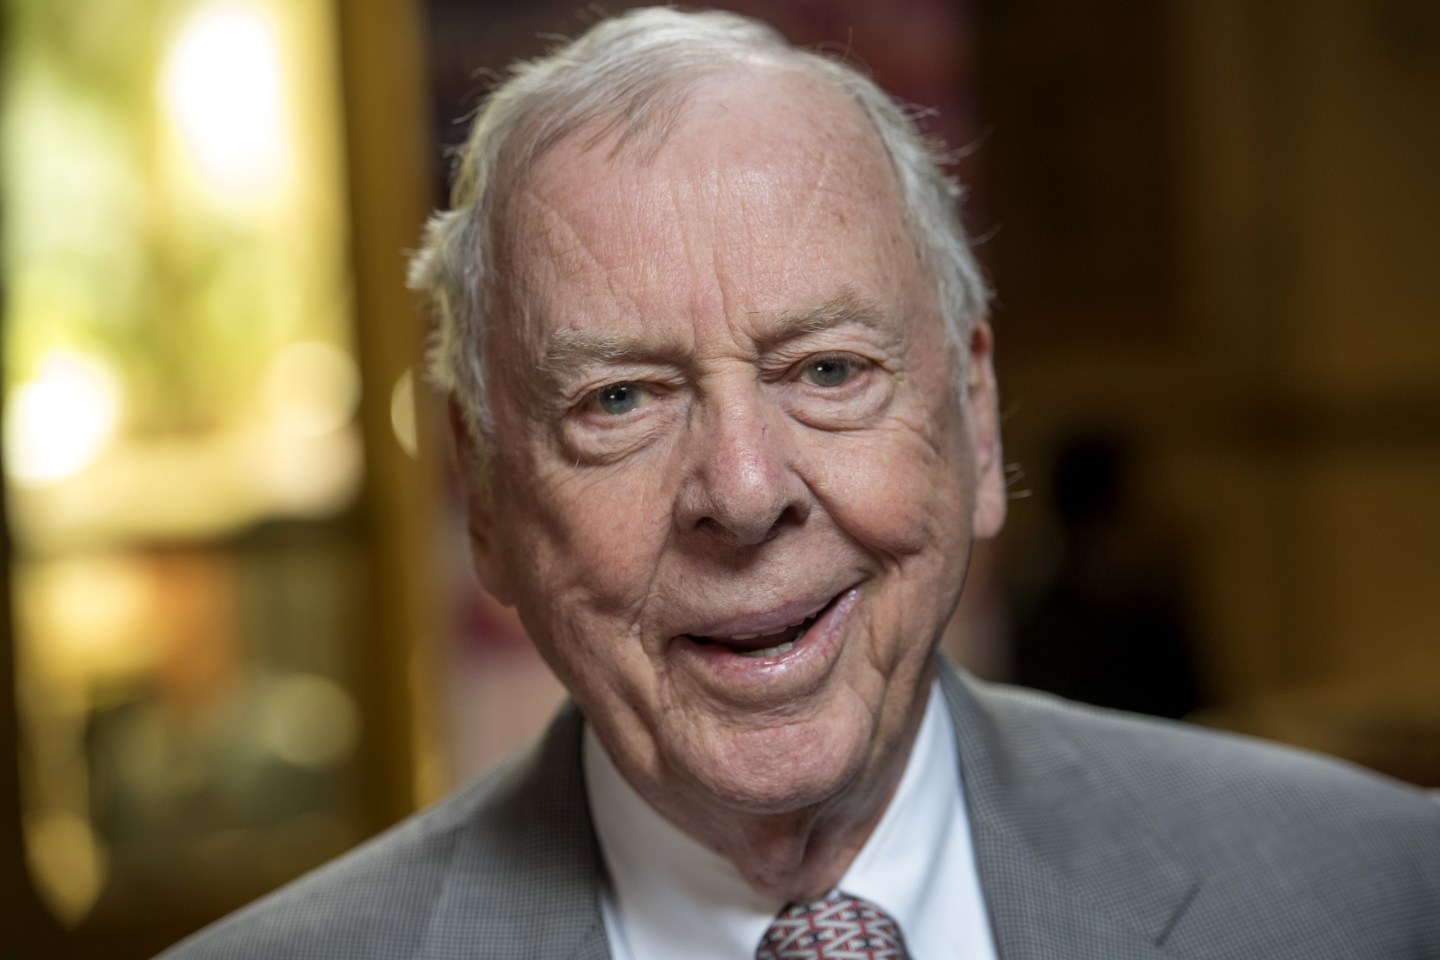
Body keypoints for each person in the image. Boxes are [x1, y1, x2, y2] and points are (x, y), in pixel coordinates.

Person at [160, 8, 1439, 959]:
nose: (743, 489)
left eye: (828, 371)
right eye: (620, 400)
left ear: (975, 418)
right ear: (486, 499)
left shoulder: (1382, 896)